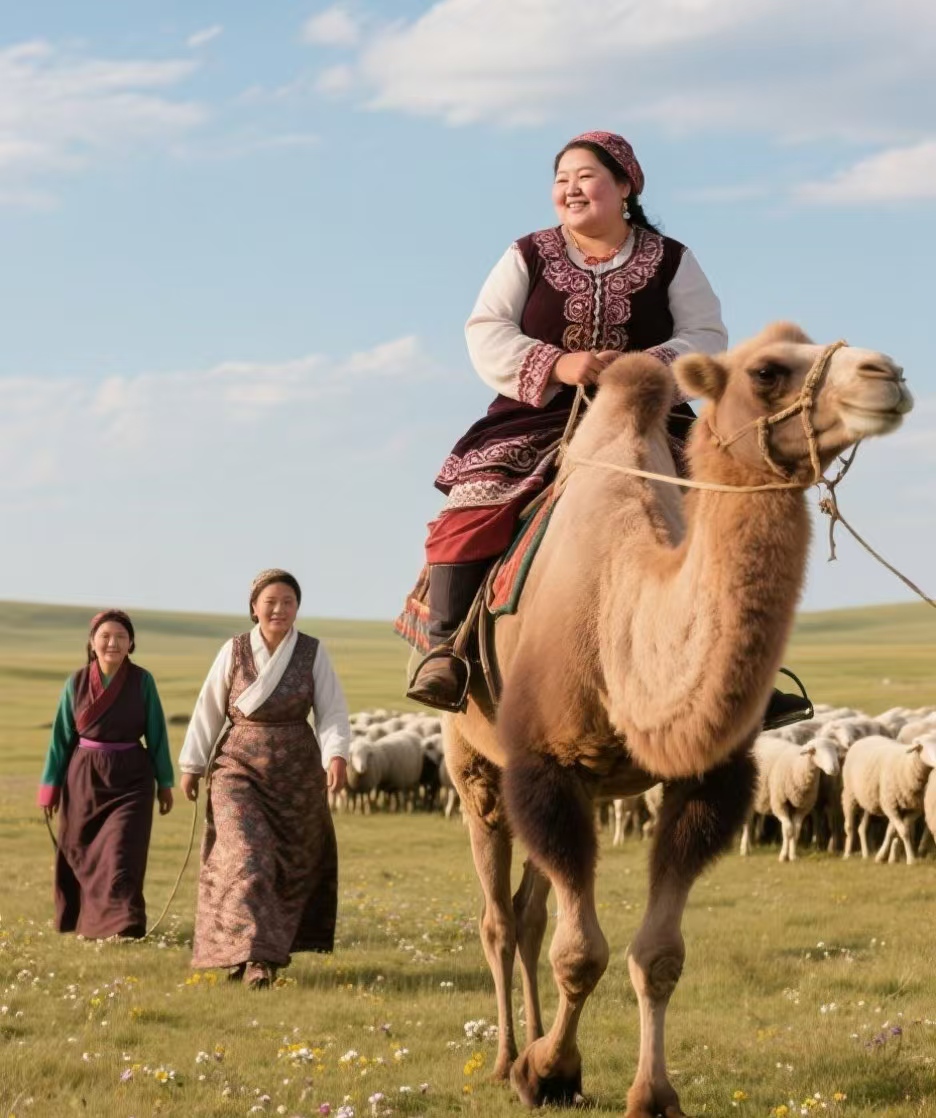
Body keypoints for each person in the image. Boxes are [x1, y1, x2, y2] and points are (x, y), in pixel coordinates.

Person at [405, 129, 813, 730]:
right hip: (539, 411)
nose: (570, 188)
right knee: (475, 501)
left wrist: (643, 368)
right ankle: (447, 650)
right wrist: (560, 363)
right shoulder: (529, 253)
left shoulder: (671, 258)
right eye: (561, 179)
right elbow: (486, 326)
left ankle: (739, 668)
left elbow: (706, 336)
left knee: (720, 518)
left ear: (624, 186)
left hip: (649, 414)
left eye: (586, 176)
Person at [179, 569, 351, 989]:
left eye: (288, 602)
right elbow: (208, 709)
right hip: (237, 768)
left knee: (283, 867)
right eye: (270, 601)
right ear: (254, 607)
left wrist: (337, 756)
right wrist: (192, 764)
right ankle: (251, 956)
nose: (279, 609)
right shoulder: (234, 650)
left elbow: (331, 711)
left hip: (296, 775)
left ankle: (257, 957)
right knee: (247, 856)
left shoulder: (313, 652)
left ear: (297, 608)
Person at [37, 609, 174, 939]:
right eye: (105, 637)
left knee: (122, 851)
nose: (113, 643)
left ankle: (124, 924)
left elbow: (156, 733)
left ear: (131, 643)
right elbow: (61, 738)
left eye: (121, 637)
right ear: (92, 642)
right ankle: (90, 923)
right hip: (84, 777)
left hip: (132, 779)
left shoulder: (143, 681)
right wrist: (50, 787)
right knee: (83, 851)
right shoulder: (76, 682)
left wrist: (165, 783)